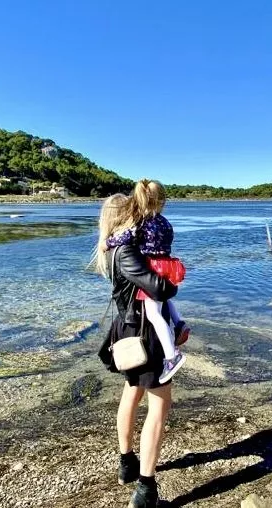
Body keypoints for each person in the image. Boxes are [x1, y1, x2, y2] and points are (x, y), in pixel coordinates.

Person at [95, 192, 178, 508]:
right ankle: (145, 489)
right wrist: (174, 280)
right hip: (145, 334)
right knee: (159, 405)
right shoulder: (127, 251)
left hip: (129, 331)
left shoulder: (115, 249)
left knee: (131, 392)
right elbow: (157, 287)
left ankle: (127, 463)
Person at [106, 179, 189, 384]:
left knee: (153, 313)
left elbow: (124, 238)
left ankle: (172, 357)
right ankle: (179, 323)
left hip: (155, 265)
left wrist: (107, 242)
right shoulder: (164, 221)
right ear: (162, 200)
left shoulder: (141, 223)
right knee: (165, 300)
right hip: (169, 263)